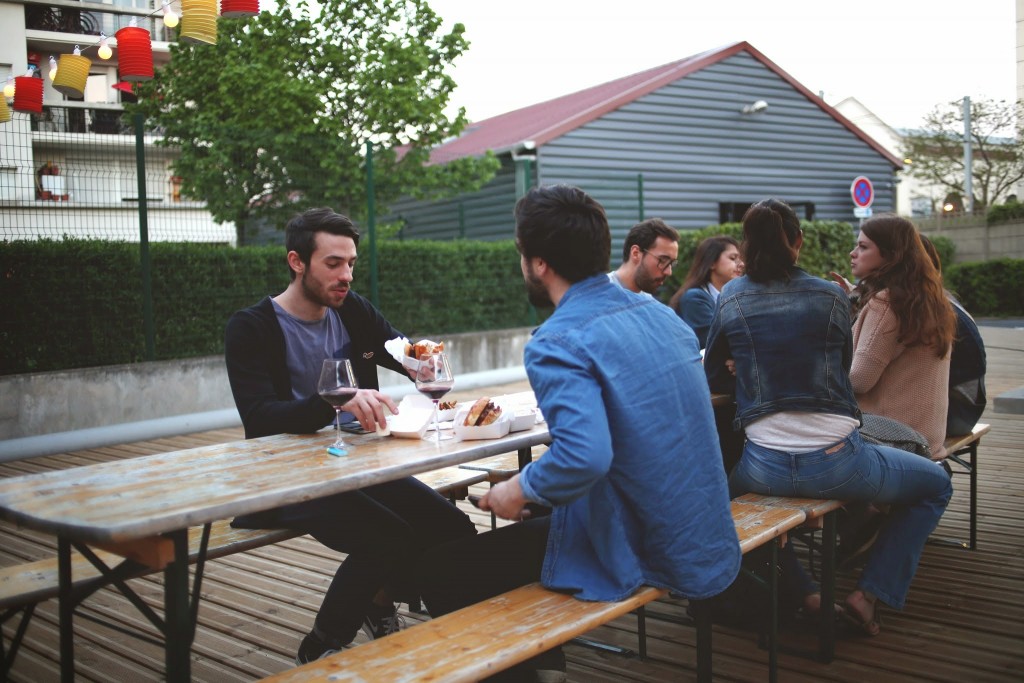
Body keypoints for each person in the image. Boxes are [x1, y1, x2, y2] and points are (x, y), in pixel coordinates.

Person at [417, 185, 741, 682]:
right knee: (529, 535)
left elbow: (584, 456)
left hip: (641, 541)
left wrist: (517, 488)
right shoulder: (664, 318)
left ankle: (532, 672)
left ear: (538, 263)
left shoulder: (557, 340)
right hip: (702, 529)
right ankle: (545, 664)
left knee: (443, 572)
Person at [224, 207, 477, 664]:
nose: (346, 275)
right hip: (286, 476)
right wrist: (336, 400)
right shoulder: (251, 327)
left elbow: (403, 351)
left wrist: (422, 362)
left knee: (451, 526)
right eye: (333, 263)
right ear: (296, 262)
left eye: (352, 263)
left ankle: (441, 626)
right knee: (388, 538)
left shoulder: (352, 310)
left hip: (358, 464)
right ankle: (322, 644)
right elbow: (259, 418)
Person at [705, 199, 952, 637]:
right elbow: (843, 373)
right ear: (798, 242)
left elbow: (712, 372)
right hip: (840, 463)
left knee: (721, 517)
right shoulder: (831, 294)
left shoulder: (732, 294)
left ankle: (808, 595)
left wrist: (746, 366)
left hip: (762, 465)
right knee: (937, 485)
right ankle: (868, 595)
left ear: (747, 245)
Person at [844, 216, 958, 460]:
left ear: (890, 255)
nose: (853, 253)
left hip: (892, 440)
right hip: (927, 437)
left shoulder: (886, 303)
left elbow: (859, 380)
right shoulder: (929, 300)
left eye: (863, 247)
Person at [920, 236, 987, 436]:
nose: (853, 254)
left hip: (956, 414)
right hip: (967, 408)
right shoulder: (938, 298)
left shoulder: (928, 310)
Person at [667, 235, 744, 348]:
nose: (741, 264)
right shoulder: (694, 298)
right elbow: (713, 342)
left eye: (741, 259)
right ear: (712, 263)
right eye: (733, 258)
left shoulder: (735, 297)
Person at [607, 217, 679, 295]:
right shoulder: (601, 292)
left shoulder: (648, 299)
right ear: (635, 253)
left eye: (671, 263)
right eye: (663, 261)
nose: (669, 272)